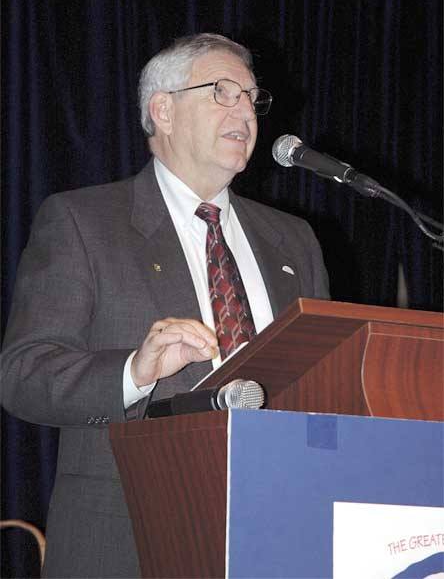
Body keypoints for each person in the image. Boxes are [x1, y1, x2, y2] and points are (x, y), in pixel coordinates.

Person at [1, 33, 329, 577]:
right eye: (223, 92)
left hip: (278, 527)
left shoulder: (293, 239)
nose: (245, 110)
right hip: (130, 535)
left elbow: (323, 379)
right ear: (164, 111)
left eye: (252, 97)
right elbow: (23, 375)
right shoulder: (83, 223)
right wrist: (134, 371)